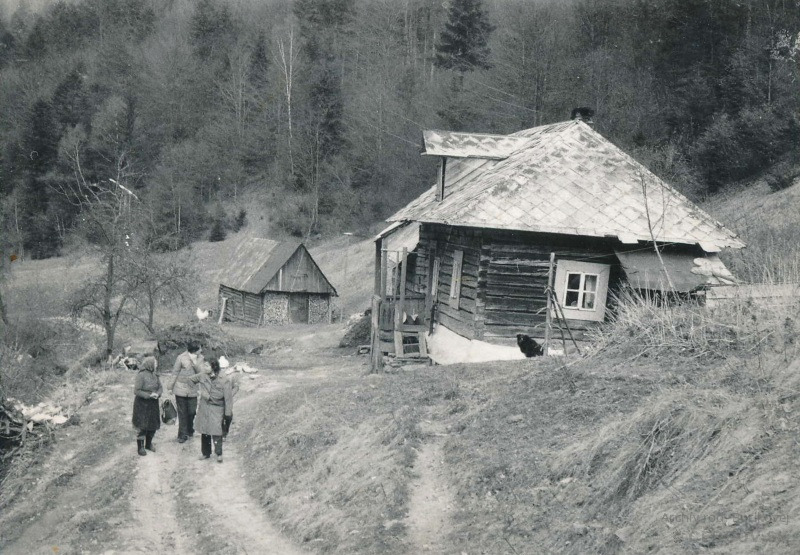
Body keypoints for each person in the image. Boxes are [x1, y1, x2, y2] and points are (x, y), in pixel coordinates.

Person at [189, 359, 233, 463]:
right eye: (204, 366)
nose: (205, 368)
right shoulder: (203, 375)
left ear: (214, 367)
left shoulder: (224, 379)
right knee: (205, 431)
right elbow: (190, 380)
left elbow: (228, 399)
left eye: (207, 366)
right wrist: (198, 392)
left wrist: (227, 414)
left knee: (217, 431)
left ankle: (219, 453)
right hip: (204, 407)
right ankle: (205, 453)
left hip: (217, 408)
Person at [170, 340, 203, 443]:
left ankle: (189, 429)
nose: (201, 350)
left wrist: (194, 364)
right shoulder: (181, 357)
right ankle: (182, 435)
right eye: (200, 348)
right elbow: (175, 372)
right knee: (182, 412)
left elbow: (201, 372)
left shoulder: (201, 358)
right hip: (180, 388)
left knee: (192, 411)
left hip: (193, 389)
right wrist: (170, 386)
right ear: (195, 350)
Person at [132, 356, 162, 456]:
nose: (156, 365)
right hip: (142, 405)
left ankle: (148, 444)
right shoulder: (141, 375)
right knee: (142, 425)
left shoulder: (155, 374)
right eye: (155, 363)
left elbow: (160, 387)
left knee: (152, 424)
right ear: (150, 364)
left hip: (153, 404)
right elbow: (137, 391)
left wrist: (158, 394)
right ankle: (140, 447)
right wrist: (149, 395)